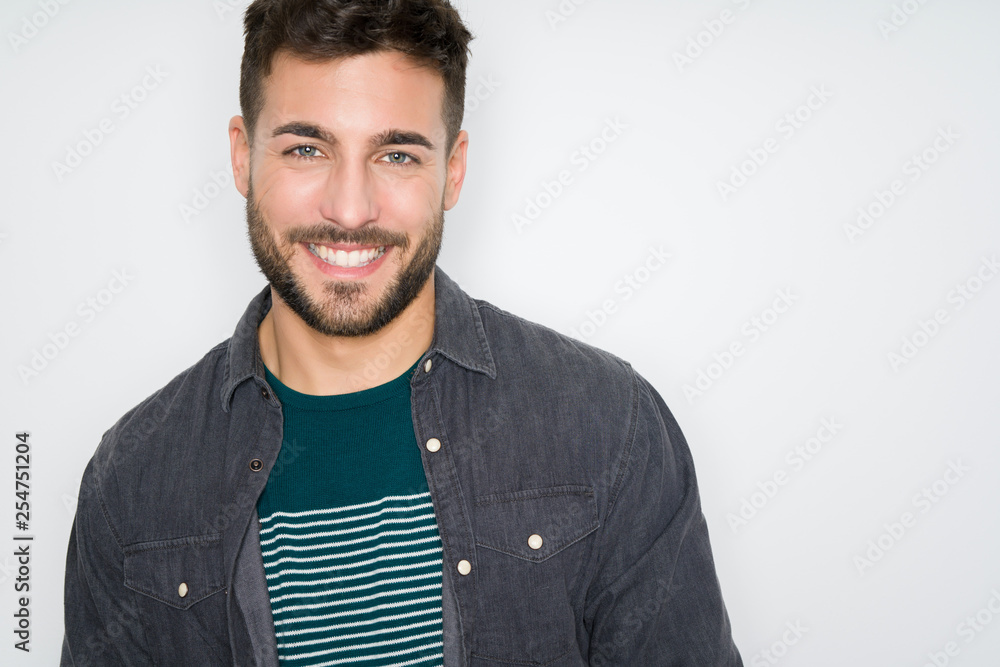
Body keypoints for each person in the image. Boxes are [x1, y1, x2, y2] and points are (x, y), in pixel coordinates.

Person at [61, 1, 743, 665]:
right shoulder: (130, 483)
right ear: (242, 157)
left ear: (453, 169)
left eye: (396, 156)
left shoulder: (609, 424)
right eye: (306, 147)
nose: (350, 209)